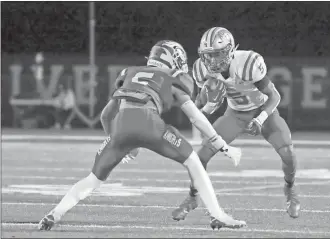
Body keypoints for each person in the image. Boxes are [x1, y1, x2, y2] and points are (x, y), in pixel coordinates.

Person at [38, 40, 246, 231]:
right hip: (149, 122)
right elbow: (195, 117)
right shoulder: (173, 77)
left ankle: (55, 213)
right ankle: (218, 215)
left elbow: (105, 115)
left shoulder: (129, 72)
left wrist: (118, 140)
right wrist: (221, 144)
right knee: (193, 161)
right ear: (172, 59)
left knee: (92, 180)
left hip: (120, 126)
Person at [171, 27, 300, 221]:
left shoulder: (248, 62)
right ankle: (192, 197)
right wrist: (209, 97)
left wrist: (260, 119)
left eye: (217, 54)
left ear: (230, 50)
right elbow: (200, 105)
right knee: (201, 156)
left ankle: (290, 189)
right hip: (235, 115)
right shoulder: (200, 69)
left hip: (262, 111)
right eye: (208, 55)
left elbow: (274, 96)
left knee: (288, 152)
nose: (212, 61)